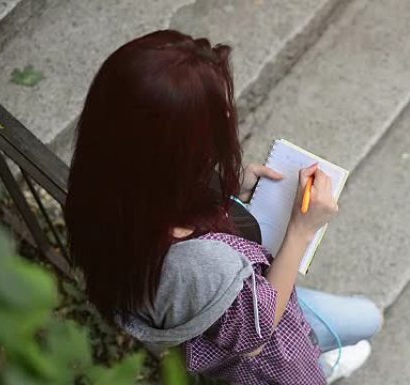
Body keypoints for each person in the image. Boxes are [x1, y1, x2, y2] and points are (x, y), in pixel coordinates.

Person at [64, 29, 383, 384]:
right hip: (268, 359)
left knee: (367, 318)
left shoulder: (101, 190)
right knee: (369, 319)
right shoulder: (199, 265)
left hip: (242, 304)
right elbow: (255, 338)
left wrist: (227, 190)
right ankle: (320, 364)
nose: (228, 118)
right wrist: (301, 230)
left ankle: (319, 350)